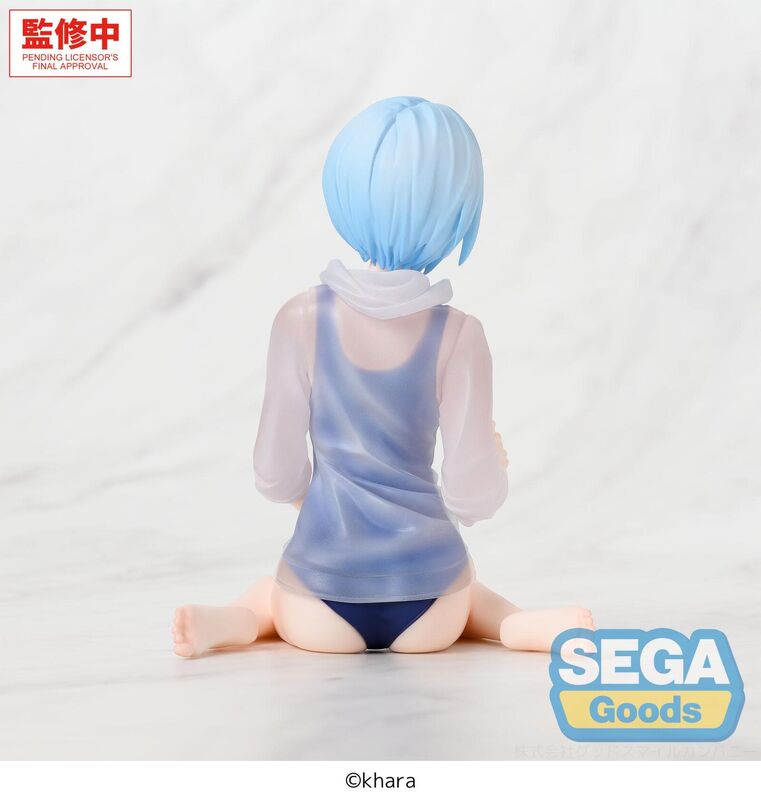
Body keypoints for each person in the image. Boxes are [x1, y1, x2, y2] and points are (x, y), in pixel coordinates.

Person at [173, 97, 593, 657]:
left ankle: (235, 621)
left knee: (269, 595)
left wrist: (324, 506)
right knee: (474, 597)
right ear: (457, 212)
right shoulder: (459, 335)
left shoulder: (300, 319)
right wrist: (492, 462)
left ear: (345, 194)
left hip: (318, 600)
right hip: (433, 610)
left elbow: (274, 474)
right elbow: (473, 497)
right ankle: (522, 626)